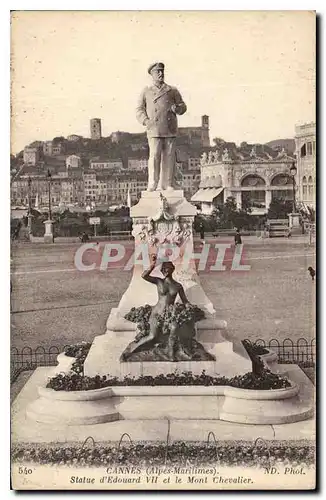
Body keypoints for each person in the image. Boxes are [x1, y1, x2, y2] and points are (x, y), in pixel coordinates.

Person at [122, 256, 193, 361]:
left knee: (174, 327)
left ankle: (170, 352)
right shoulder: (159, 281)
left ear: (172, 269)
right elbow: (144, 276)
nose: (164, 270)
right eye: (163, 269)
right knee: (152, 336)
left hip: (169, 315)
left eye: (167, 268)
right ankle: (130, 351)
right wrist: (153, 264)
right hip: (157, 313)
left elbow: (185, 300)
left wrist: (188, 305)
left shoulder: (178, 286)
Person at [136, 62, 187, 191]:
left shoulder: (172, 90)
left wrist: (178, 108)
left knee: (169, 156)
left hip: (169, 128)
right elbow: (139, 110)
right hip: (154, 128)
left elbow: (183, 106)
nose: (160, 74)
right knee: (154, 156)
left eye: (162, 71)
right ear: (152, 75)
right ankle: (153, 183)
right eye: (157, 72)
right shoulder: (146, 91)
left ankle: (168, 183)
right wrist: (146, 121)